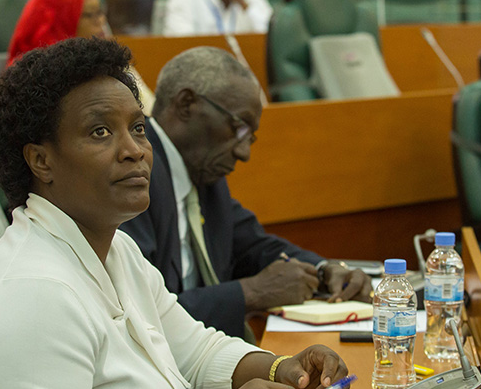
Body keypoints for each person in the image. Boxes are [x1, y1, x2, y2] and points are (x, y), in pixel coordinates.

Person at [0, 37, 351, 389]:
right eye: (100, 131)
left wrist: (284, 369)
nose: (135, 151)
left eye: (138, 128)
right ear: (41, 161)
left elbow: (196, 354)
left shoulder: (116, 250)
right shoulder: (29, 294)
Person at [119, 47, 373, 339]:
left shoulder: (203, 172)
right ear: (187, 104)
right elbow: (143, 315)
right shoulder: (134, 175)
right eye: (238, 128)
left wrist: (324, 270)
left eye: (249, 137)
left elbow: (253, 246)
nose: (244, 152)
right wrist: (250, 293)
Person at [7, 0, 155, 114]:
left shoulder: (107, 61)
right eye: (91, 14)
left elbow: (151, 113)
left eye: (101, 12)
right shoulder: (29, 79)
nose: (101, 21)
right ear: (61, 20)